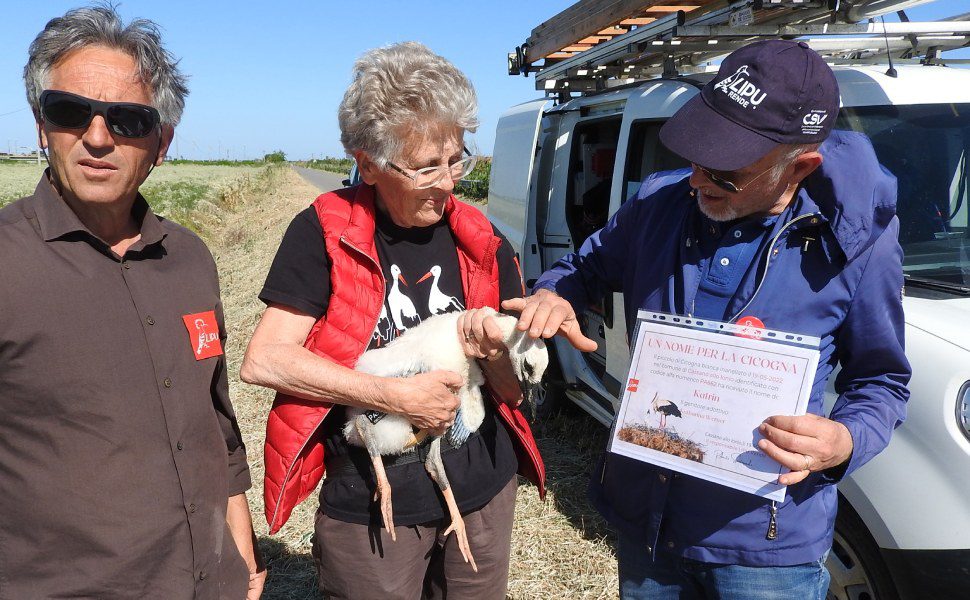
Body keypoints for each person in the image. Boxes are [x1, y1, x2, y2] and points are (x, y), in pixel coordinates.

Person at [505, 40, 910, 599]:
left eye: (726, 171)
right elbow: (583, 267)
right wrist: (556, 293)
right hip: (648, 529)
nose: (698, 181)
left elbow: (882, 381)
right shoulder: (659, 203)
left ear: (801, 165)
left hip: (766, 550)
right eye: (696, 157)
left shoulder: (860, 244)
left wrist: (843, 440)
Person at [240, 42, 544, 599]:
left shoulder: (482, 238)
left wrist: (497, 355)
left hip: (482, 495)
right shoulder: (323, 233)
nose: (450, 182)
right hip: (372, 505)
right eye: (428, 167)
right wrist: (393, 396)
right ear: (368, 164)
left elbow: (512, 396)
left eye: (457, 160)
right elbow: (265, 359)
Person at [0, 6, 264, 598]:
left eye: (127, 119)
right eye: (70, 112)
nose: (97, 137)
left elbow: (215, 426)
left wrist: (242, 559)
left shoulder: (190, 258)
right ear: (42, 127)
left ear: (161, 142)